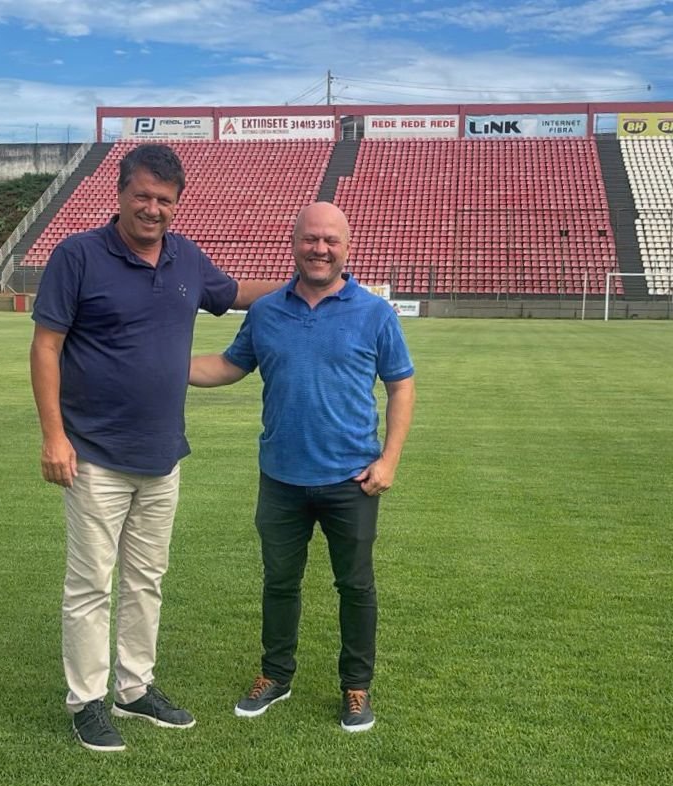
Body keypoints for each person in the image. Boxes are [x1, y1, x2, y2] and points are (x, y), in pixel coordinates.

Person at [30, 143, 280, 752]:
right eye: (141, 195)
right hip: (92, 452)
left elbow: (237, 292)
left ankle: (135, 688)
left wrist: (311, 279)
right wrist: (54, 436)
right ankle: (87, 700)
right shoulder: (79, 256)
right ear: (118, 193)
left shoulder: (187, 258)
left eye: (164, 200)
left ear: (177, 203)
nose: (152, 208)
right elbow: (45, 348)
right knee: (90, 584)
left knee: (147, 579)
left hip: (163, 455)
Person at [189, 201, 415, 733]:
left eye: (330, 240)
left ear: (347, 247)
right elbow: (228, 365)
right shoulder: (267, 310)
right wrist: (161, 365)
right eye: (310, 239)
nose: (319, 249)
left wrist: (390, 459)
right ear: (294, 244)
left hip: (352, 479)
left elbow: (401, 384)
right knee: (279, 582)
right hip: (281, 478)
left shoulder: (374, 313)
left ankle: (356, 688)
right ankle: (276, 675)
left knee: (355, 586)